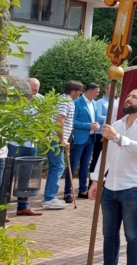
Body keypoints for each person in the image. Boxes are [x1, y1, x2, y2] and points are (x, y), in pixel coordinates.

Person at [89, 89, 137, 265]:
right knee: (109, 234)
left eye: (134, 97)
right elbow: (106, 155)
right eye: (128, 96)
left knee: (132, 234)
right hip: (110, 186)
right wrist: (96, 180)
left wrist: (117, 138)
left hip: (134, 187)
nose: (128, 99)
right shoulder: (117, 124)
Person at [43, 80, 82, 210]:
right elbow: (60, 120)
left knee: (55, 167)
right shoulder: (66, 102)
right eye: (79, 91)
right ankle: (50, 198)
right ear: (72, 91)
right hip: (56, 139)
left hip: (56, 138)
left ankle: (49, 197)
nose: (80, 94)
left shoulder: (62, 99)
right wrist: (62, 140)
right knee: (58, 167)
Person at [9, 78, 44, 216]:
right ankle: (0, 210)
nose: (34, 93)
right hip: (15, 144)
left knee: (26, 177)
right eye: (32, 90)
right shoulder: (15, 99)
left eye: (37, 90)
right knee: (8, 176)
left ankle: (22, 206)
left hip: (31, 144)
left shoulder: (41, 100)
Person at [65, 82, 100, 202]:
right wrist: (88, 125)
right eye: (96, 92)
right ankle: (67, 192)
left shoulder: (95, 103)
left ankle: (82, 190)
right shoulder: (76, 103)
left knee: (85, 166)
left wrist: (97, 125)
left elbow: (94, 119)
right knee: (73, 165)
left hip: (91, 139)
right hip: (79, 139)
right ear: (90, 92)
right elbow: (72, 121)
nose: (97, 94)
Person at [91, 82, 117, 188]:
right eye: (111, 89)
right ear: (106, 90)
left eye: (115, 89)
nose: (114, 91)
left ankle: (105, 181)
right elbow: (98, 116)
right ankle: (93, 182)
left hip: (112, 134)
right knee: (98, 158)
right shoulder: (100, 102)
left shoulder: (116, 101)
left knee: (110, 158)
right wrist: (109, 116)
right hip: (100, 133)